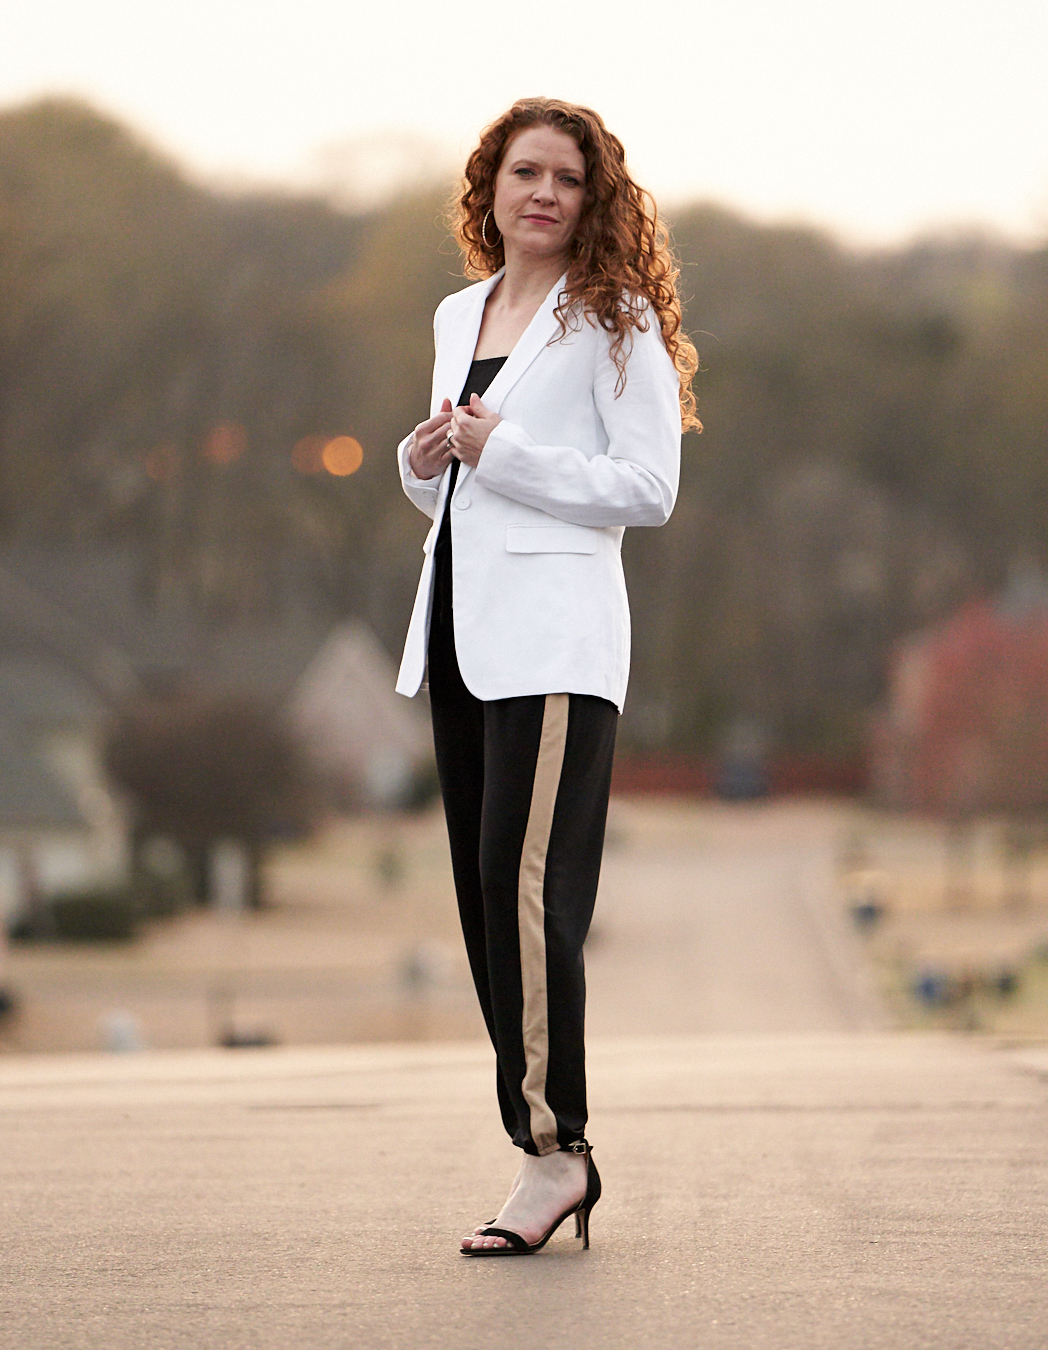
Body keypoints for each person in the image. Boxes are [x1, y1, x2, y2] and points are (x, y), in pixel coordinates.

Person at [395, 97, 699, 1255]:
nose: (542, 194)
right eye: (524, 172)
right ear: (490, 185)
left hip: (559, 651)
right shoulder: (458, 311)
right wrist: (428, 465)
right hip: (467, 638)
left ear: (593, 198)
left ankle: (553, 1153)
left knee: (530, 899)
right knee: (484, 902)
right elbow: (462, 491)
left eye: (566, 179)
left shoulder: (616, 318)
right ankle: (546, 1146)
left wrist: (497, 450)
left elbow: (646, 491)